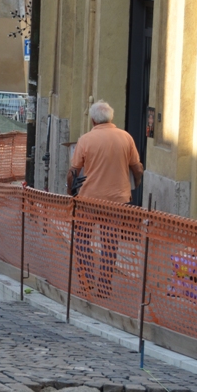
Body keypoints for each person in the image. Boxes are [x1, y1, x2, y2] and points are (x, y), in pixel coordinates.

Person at [66, 101, 143, 299]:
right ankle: (105, 286)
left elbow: (73, 171)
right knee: (110, 244)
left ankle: (87, 282)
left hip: (89, 199)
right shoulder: (126, 137)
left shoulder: (86, 139)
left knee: (82, 240)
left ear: (92, 120)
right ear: (111, 118)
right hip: (116, 200)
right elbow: (137, 167)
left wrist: (70, 191)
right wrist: (136, 184)